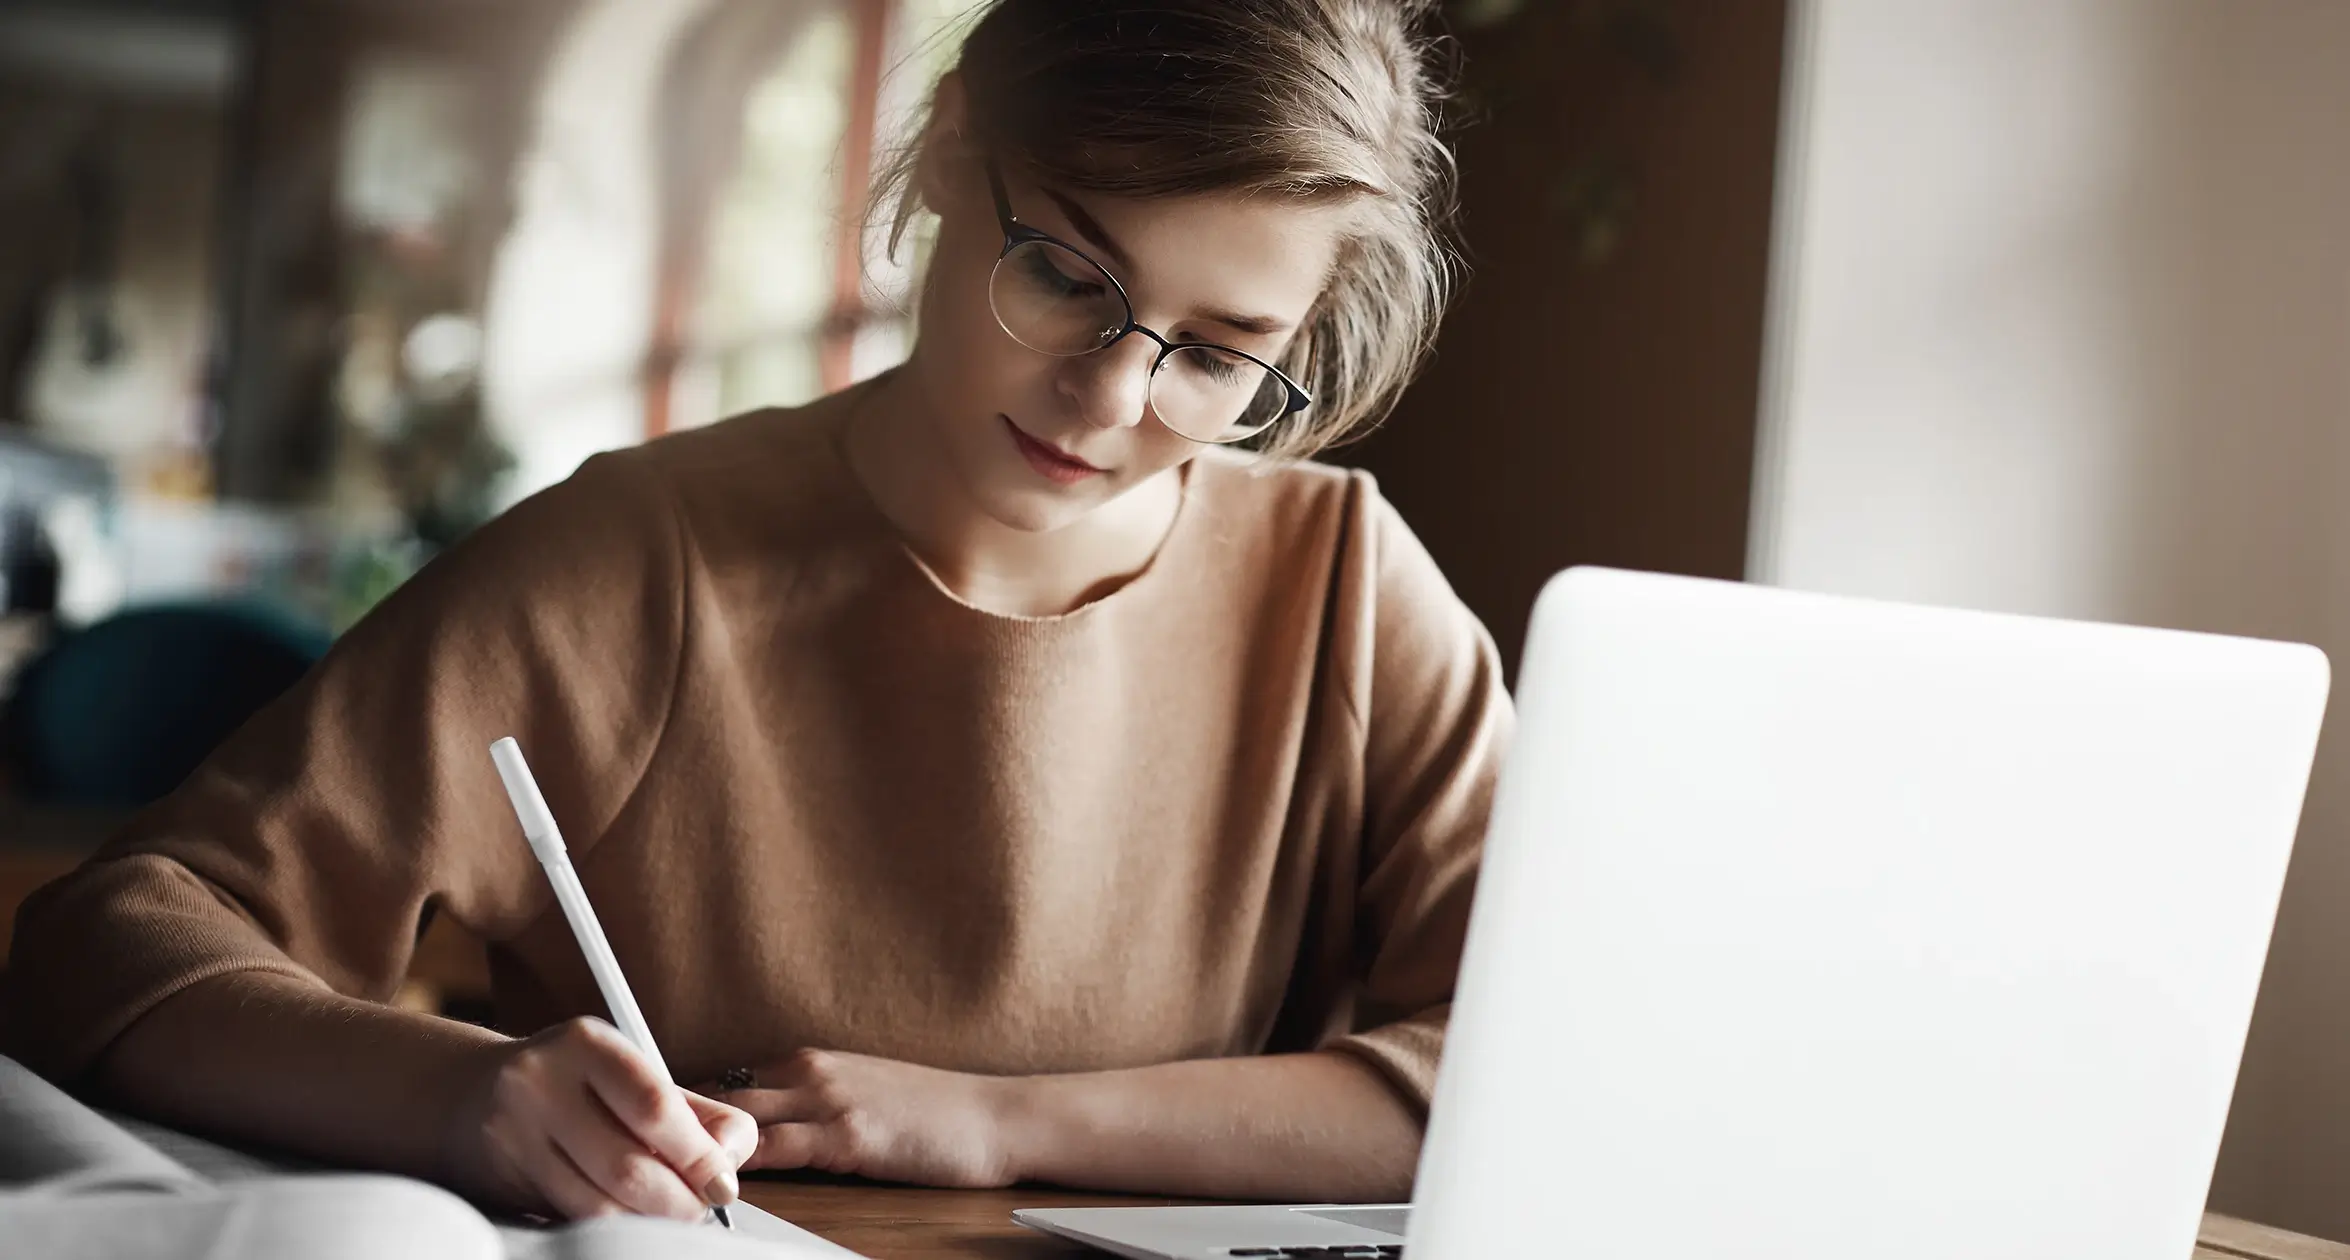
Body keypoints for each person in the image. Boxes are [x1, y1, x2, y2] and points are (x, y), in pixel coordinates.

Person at [2, 0, 1509, 1225]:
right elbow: (108, 948)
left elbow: (1519, 1078)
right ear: (947, 152)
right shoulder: (641, 557)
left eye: (1221, 352)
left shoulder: (1349, 592)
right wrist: (452, 1092)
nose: (1114, 399)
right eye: (1064, 274)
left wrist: (986, 1126)